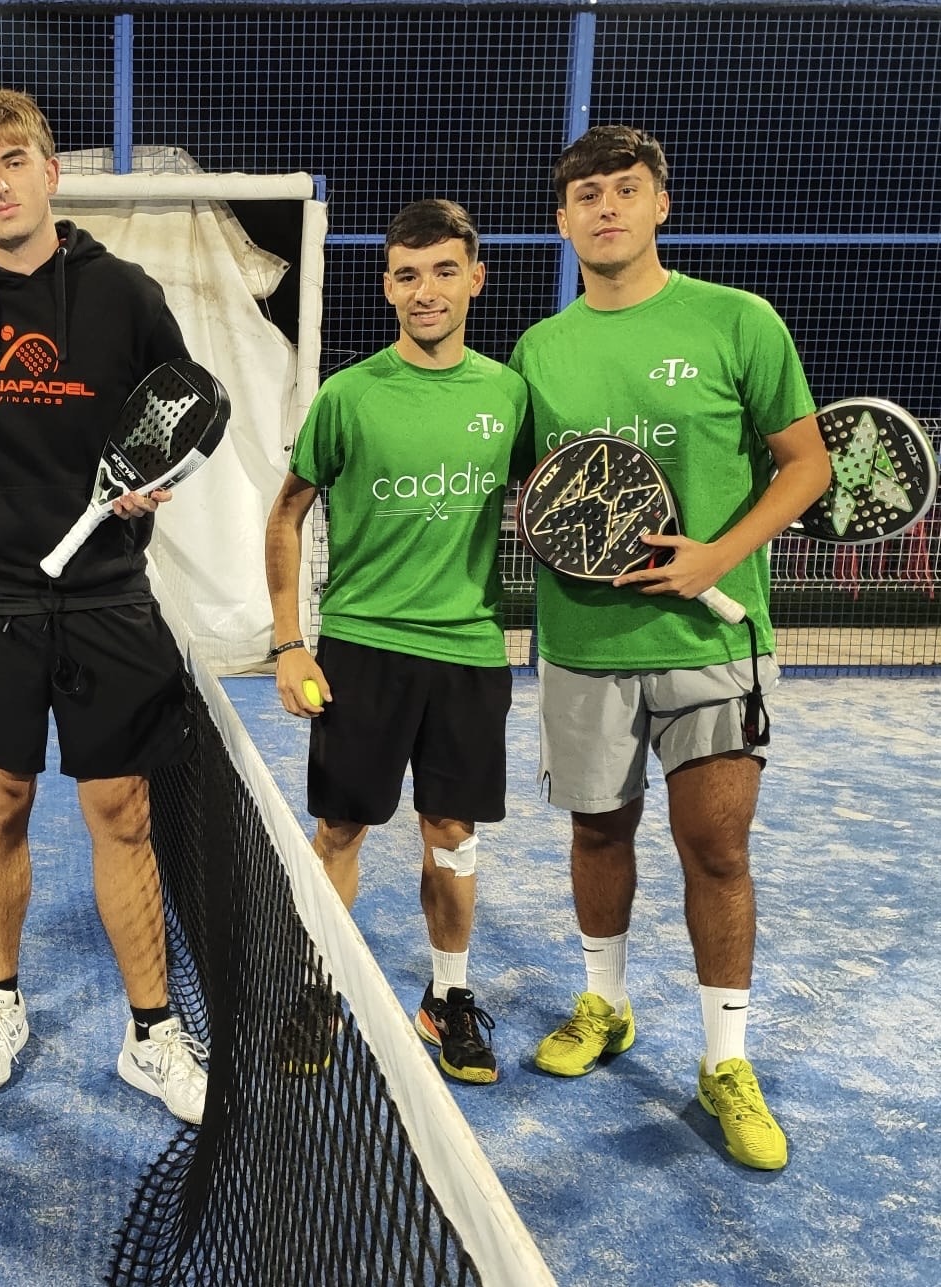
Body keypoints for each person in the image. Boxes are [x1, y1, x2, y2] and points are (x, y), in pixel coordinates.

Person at [508, 125, 831, 1170]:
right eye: (585, 195)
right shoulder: (538, 350)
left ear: (659, 204)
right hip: (580, 644)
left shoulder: (737, 320)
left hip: (712, 643)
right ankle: (603, 1005)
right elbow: (530, 486)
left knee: (716, 847)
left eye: (624, 188)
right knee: (597, 834)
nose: (604, 207)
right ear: (561, 222)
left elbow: (806, 465)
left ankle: (724, 1061)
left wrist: (715, 559)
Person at [0, 88, 207, 1124]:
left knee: (122, 811)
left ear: (50, 171)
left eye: (12, 162)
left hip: (105, 591)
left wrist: (155, 488)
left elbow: (178, 419)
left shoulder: (124, 292)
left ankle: (150, 1033)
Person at [264, 199, 529, 1085]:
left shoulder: (509, 395)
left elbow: (555, 498)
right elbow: (285, 515)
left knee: (451, 831)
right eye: (407, 275)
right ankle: (316, 989)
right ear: (386, 286)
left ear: (474, 279)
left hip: (468, 652)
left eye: (444, 271)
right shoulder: (348, 394)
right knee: (340, 827)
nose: (425, 291)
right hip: (362, 647)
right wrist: (289, 642)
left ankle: (446, 997)